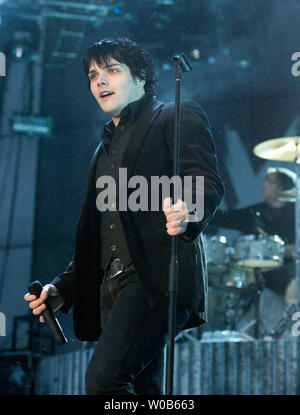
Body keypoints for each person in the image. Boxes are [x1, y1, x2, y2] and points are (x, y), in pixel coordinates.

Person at [24, 37, 224, 395]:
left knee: (104, 383)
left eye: (112, 70)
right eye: (92, 74)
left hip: (156, 278)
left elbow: (205, 179)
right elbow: (103, 233)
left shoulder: (176, 114)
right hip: (111, 290)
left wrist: (188, 209)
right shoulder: (101, 151)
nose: (100, 81)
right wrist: (63, 288)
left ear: (142, 77)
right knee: (144, 391)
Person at [209, 167, 295, 337]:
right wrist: (199, 211)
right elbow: (227, 218)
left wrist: (288, 250)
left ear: (280, 187)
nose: (263, 186)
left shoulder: (295, 213)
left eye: (269, 183)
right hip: (263, 277)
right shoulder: (258, 212)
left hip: (289, 276)